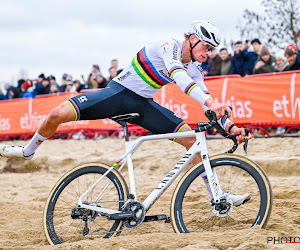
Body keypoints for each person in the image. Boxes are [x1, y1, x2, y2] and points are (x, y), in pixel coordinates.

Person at [0, 20, 251, 206]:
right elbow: (179, 77)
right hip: (117, 95)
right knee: (56, 114)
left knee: (193, 139)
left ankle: (217, 196)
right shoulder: (169, 45)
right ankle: (27, 151)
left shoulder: (195, 68)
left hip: (143, 105)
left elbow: (209, 101)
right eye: (206, 47)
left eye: (211, 50)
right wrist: (209, 101)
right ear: (192, 39)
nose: (208, 54)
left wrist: (230, 127)